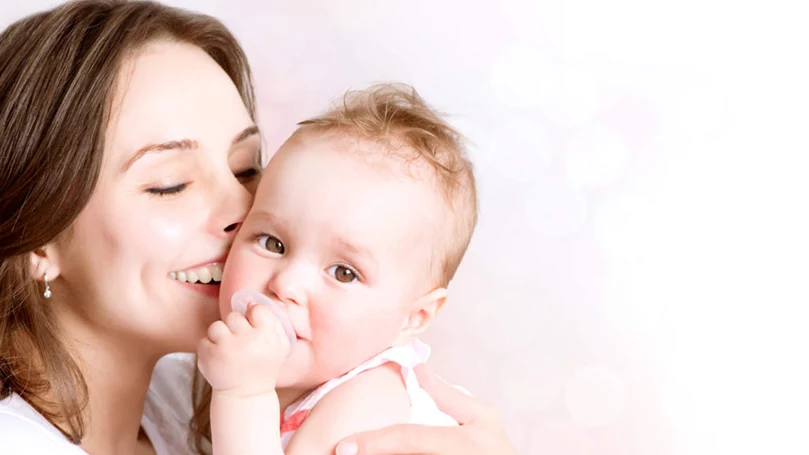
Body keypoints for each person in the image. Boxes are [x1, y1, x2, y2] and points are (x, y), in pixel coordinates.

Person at [0, 2, 517, 455]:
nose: (244, 208)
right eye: (171, 184)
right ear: (40, 238)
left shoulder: (198, 399)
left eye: (248, 169)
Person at [194, 84, 476, 454]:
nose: (287, 284)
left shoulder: (370, 402)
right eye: (272, 243)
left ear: (414, 317)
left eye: (343, 272)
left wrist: (243, 394)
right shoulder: (261, 372)